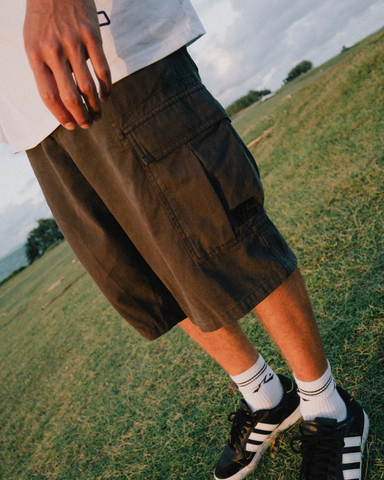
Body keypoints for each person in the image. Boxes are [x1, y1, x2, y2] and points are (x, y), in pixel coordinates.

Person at [0, 0, 369, 478]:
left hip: (112, 50)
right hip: (28, 108)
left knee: (218, 227)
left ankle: (329, 408)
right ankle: (267, 397)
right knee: (148, 268)